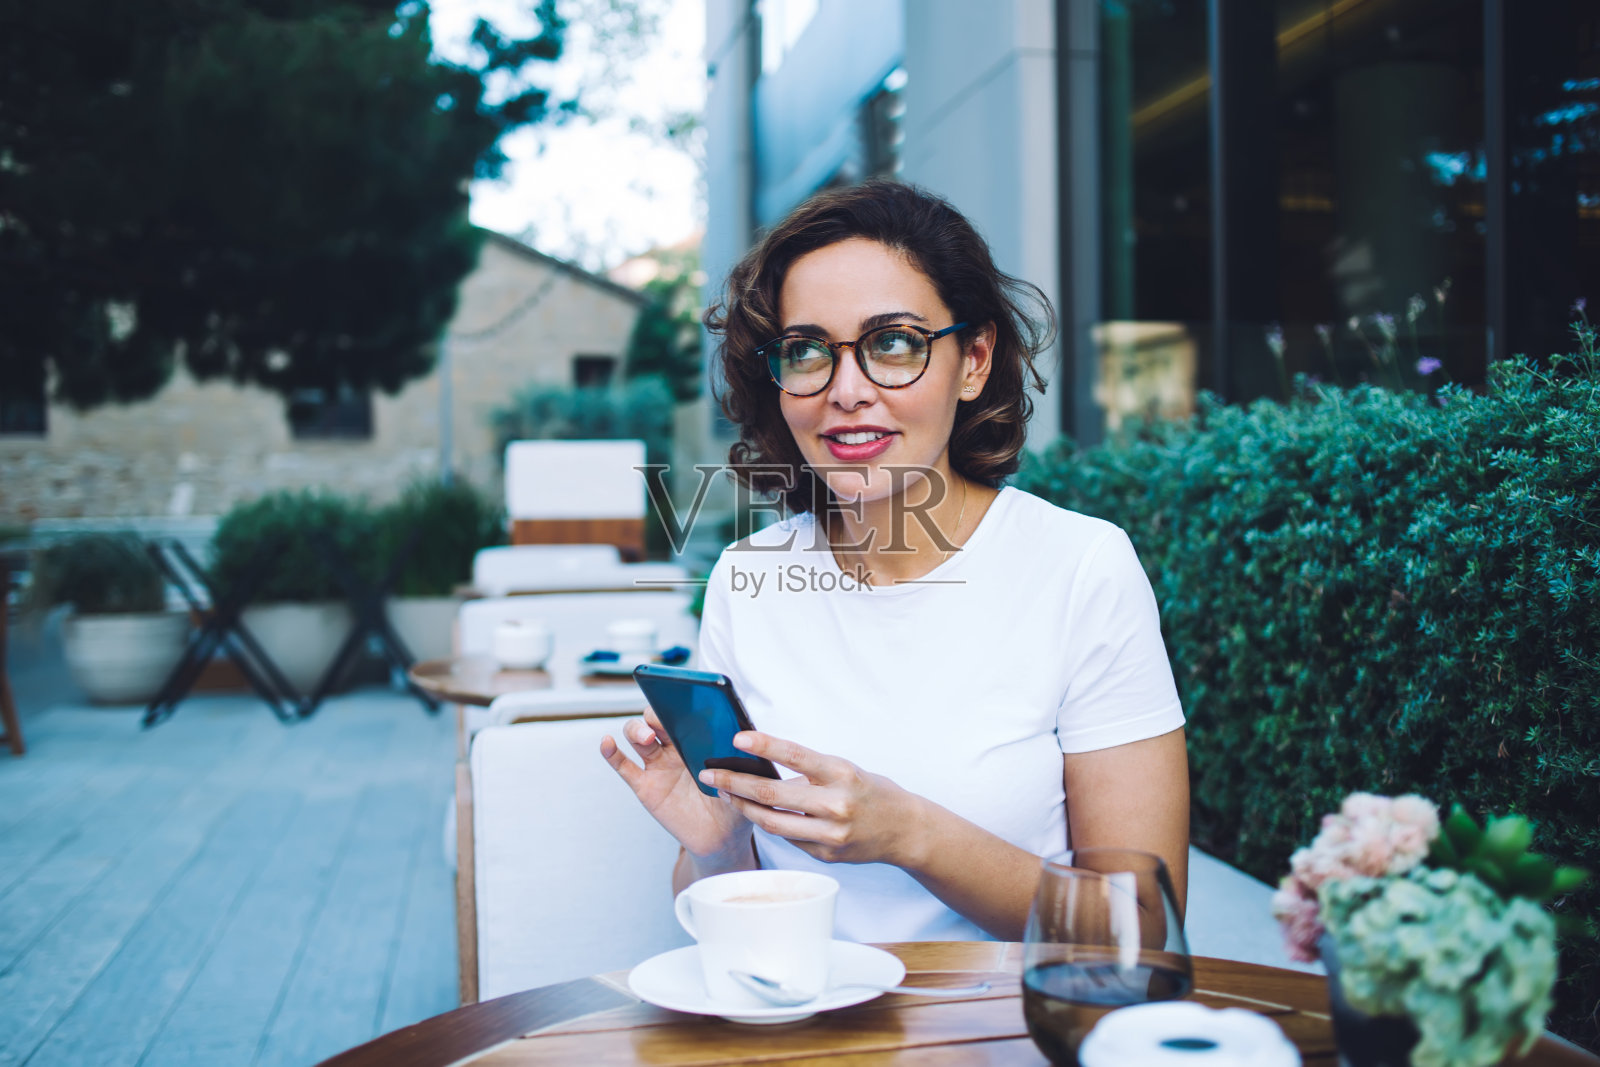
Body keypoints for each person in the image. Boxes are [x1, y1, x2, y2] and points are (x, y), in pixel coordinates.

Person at [600, 180, 1188, 943]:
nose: (847, 391)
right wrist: (716, 845)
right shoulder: (750, 581)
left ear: (973, 360)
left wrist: (914, 835)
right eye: (808, 350)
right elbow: (733, 912)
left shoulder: (1081, 567)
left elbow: (1141, 930)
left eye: (893, 343)